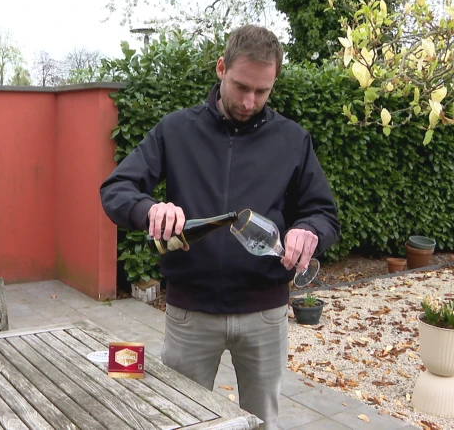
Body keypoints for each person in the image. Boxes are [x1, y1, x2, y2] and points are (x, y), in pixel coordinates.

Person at [99, 24, 341, 429]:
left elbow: (323, 213)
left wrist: (309, 231)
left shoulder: (292, 140)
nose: (249, 102)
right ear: (220, 68)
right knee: (182, 419)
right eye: (242, 86)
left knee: (261, 422)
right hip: (190, 313)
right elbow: (117, 189)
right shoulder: (176, 130)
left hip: (264, 314)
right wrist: (149, 210)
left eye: (262, 92)